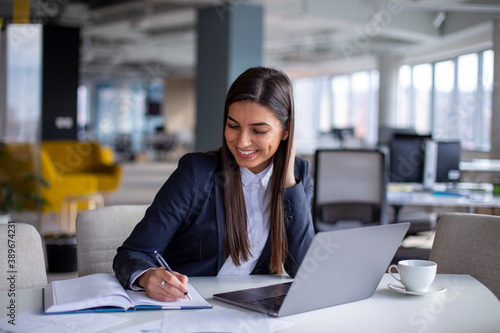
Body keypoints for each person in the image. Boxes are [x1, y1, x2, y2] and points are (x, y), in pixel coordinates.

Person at [113, 66, 315, 302]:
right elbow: (132, 253)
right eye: (233, 126)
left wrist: (288, 182)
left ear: (286, 131)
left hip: (251, 307)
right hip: (190, 304)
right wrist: (148, 277)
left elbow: (304, 268)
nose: (242, 141)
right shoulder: (197, 172)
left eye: (259, 130)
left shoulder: (298, 175)